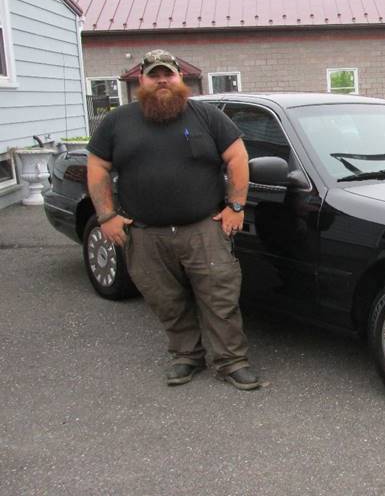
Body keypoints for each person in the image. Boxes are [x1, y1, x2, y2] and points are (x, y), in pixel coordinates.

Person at [86, 50, 260, 390]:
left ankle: (231, 361)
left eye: (168, 74)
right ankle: (186, 357)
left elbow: (238, 156)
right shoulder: (117, 122)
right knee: (165, 299)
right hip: (145, 233)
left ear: (180, 78)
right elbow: (97, 167)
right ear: (142, 80)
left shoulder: (207, 117)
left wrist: (235, 206)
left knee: (220, 298)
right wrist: (106, 216)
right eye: (154, 75)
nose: (162, 80)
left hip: (203, 230)